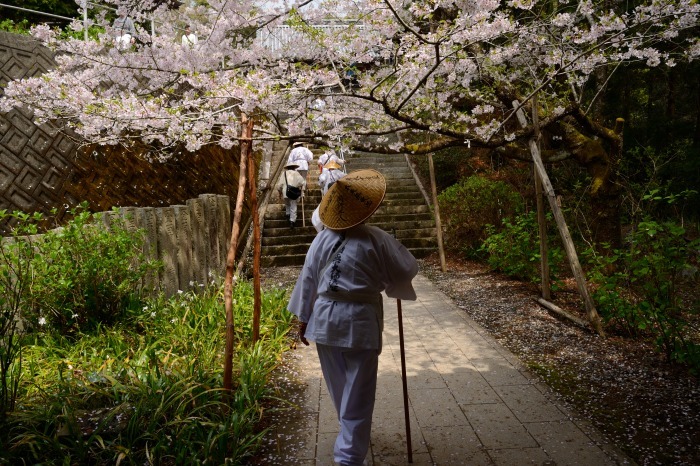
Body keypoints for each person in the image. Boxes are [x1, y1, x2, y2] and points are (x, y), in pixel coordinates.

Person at [287, 169, 418, 466]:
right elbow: (405, 270)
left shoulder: (320, 240)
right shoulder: (377, 239)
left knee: (340, 387)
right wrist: (385, 280)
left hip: (324, 319)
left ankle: (350, 438)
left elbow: (307, 280)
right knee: (358, 392)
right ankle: (348, 456)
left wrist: (303, 319)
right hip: (359, 320)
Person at [312, 160, 347, 233]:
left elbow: (321, 181)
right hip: (338, 191)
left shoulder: (325, 173)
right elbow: (346, 178)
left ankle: (324, 227)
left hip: (328, 192)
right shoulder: (339, 173)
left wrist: (321, 185)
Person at [277, 162, 306, 228]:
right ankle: (292, 221)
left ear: (287, 167)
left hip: (285, 192)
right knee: (293, 206)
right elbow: (302, 182)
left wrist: (279, 192)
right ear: (294, 167)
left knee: (287, 204)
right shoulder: (296, 173)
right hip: (293, 192)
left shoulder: (284, 173)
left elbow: (279, 185)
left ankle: (288, 215)